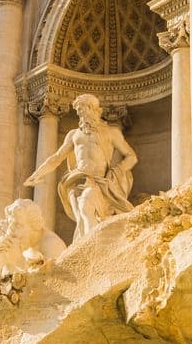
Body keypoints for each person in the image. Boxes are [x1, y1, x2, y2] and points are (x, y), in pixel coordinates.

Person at [20, 92, 138, 241]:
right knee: (82, 216)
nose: (81, 114)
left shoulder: (111, 133)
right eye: (79, 111)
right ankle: (87, 245)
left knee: (85, 206)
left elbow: (131, 157)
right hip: (76, 180)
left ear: (95, 110)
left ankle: (91, 245)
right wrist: (38, 173)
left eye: (84, 109)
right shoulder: (74, 135)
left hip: (98, 182)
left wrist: (116, 171)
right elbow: (57, 157)